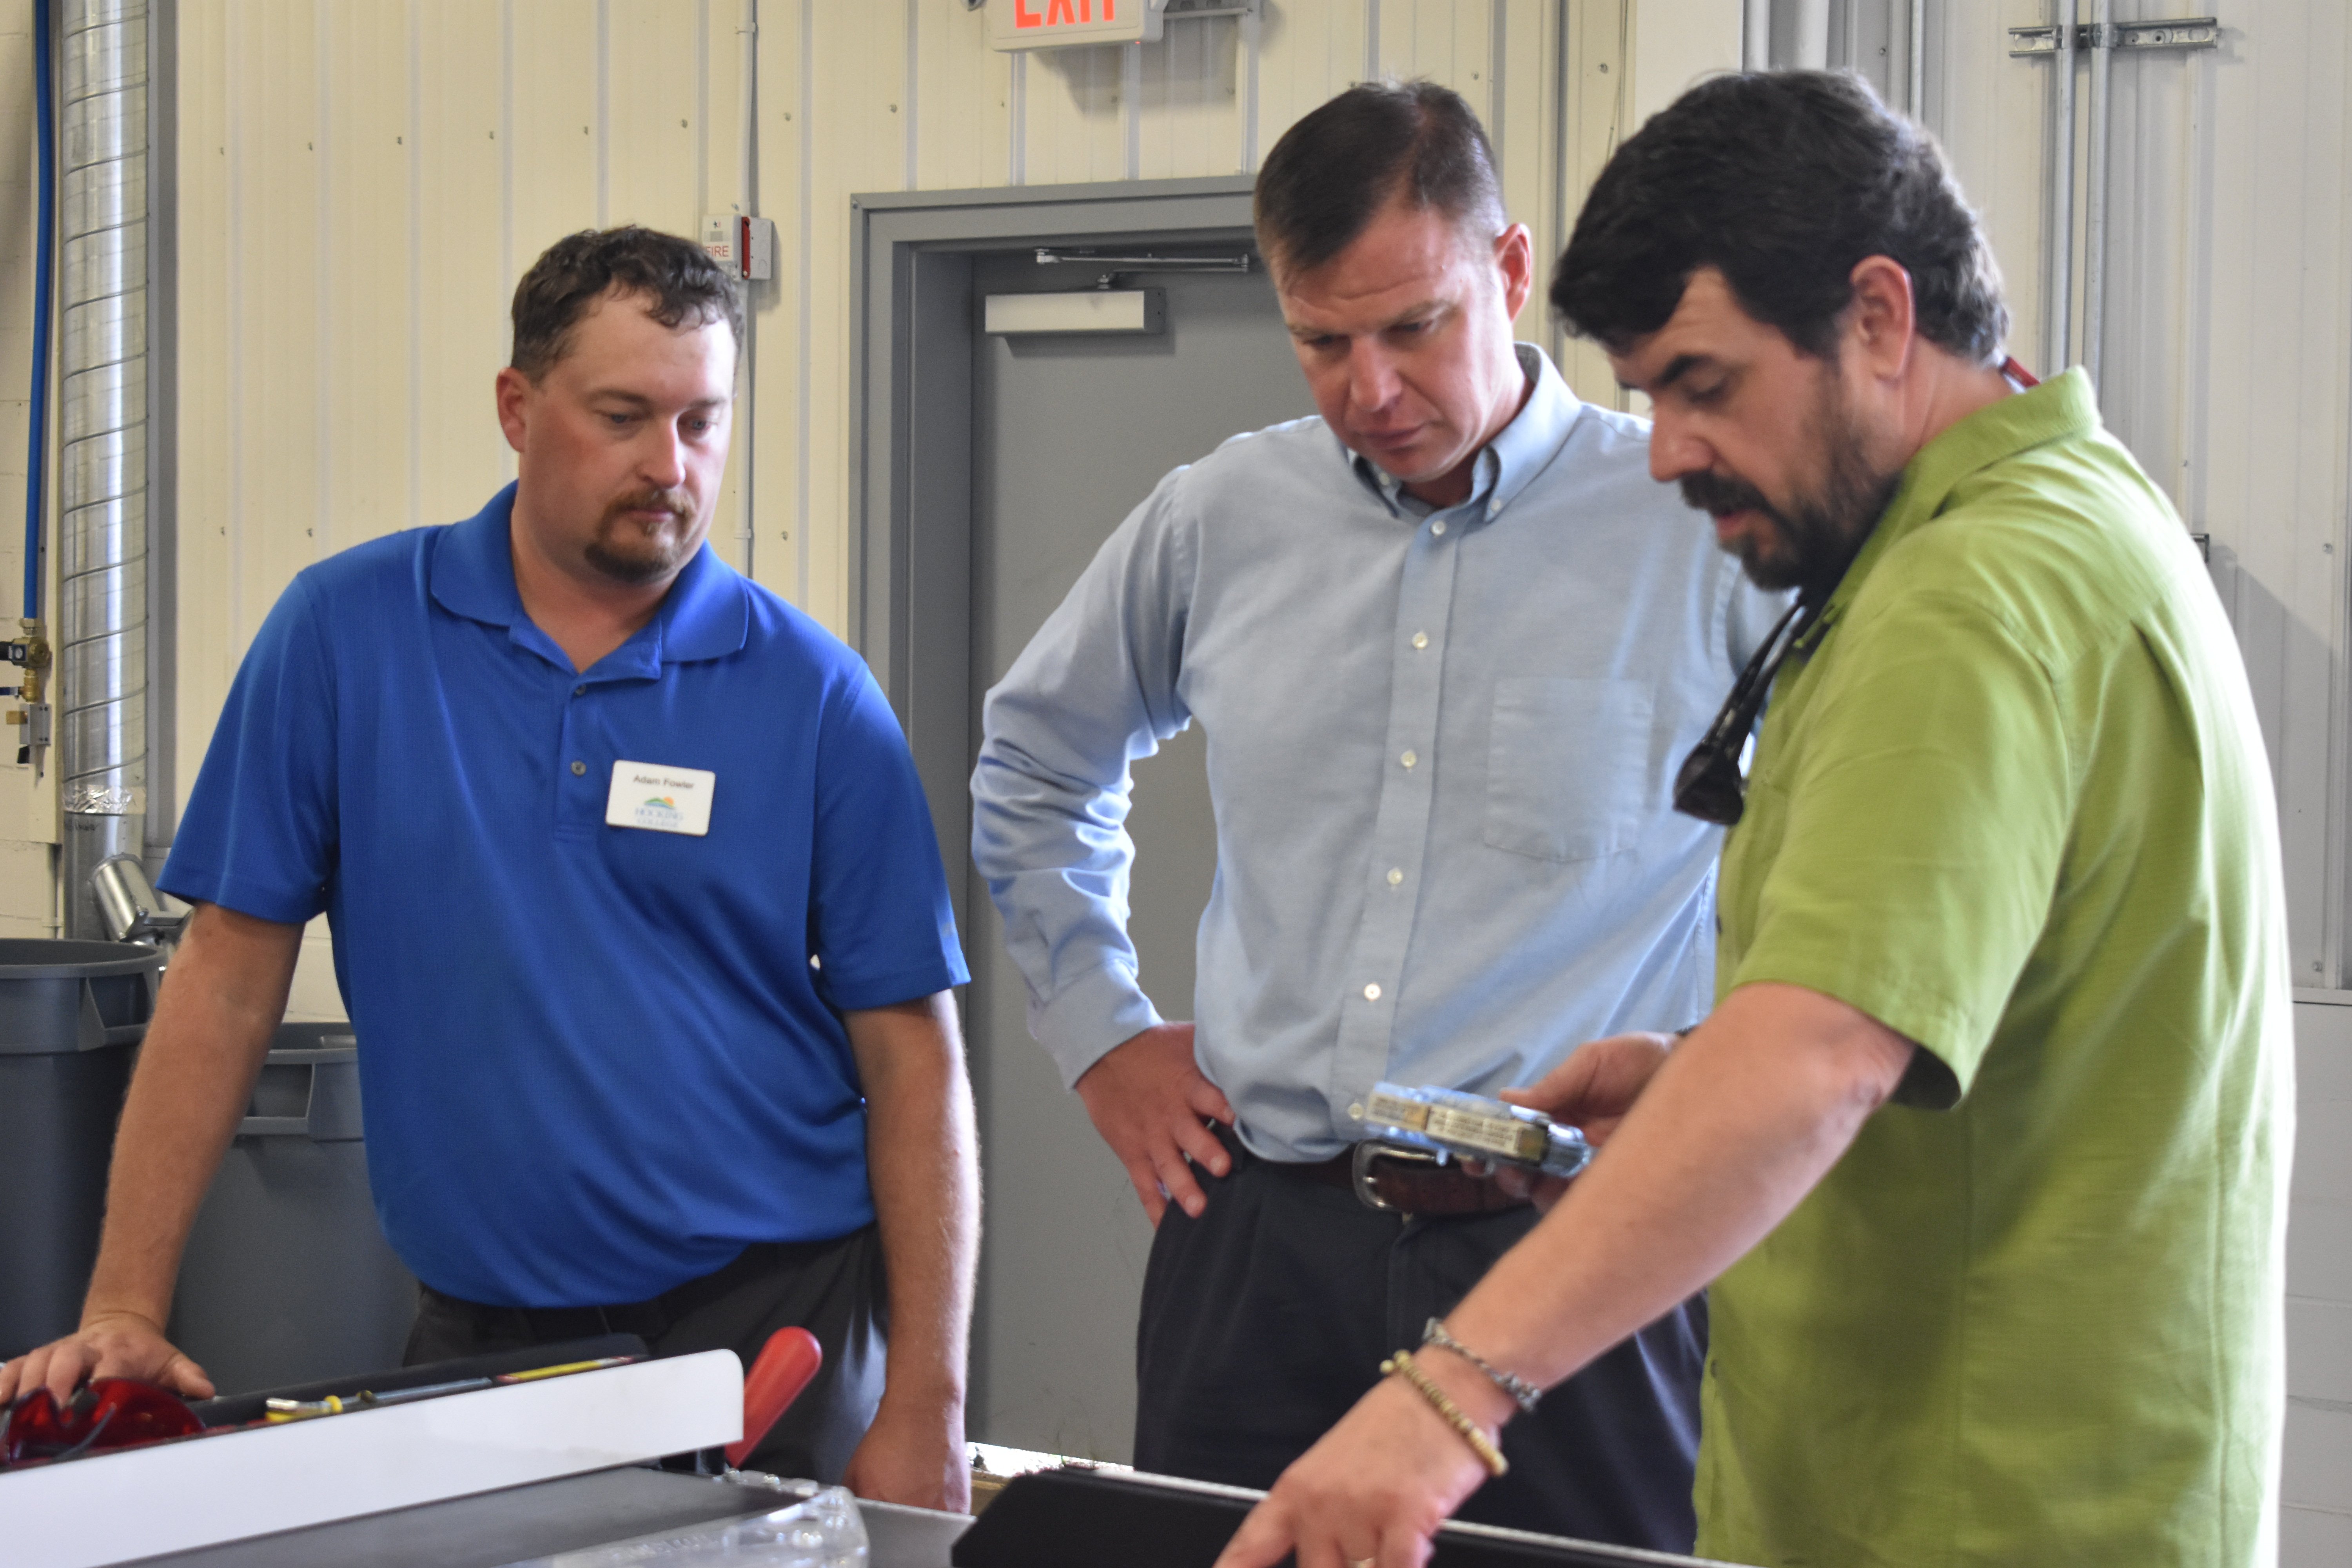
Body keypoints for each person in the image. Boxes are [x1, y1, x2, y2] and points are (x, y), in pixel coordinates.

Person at [1217, 69, 2292, 1568]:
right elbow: (1956, 1020)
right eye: (1650, 394)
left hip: (1973, 1510)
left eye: (1704, 385)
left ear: (1878, 316)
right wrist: (1691, 1084)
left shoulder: (1971, 599)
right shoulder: (2071, 523)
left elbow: (1824, 1052)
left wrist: (1443, 1403)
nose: (1663, 451)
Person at [0, 227, 981, 1510]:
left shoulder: (813, 696)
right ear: (518, 410)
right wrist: (125, 1302)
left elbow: (912, 1051)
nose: (668, 466)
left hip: (774, 1315)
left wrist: (930, 1398)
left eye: (703, 422)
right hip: (482, 1330)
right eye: (624, 416)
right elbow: (229, 976)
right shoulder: (346, 638)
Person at [970, 82, 1783, 1550]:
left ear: (1513, 274)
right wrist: (1101, 1036)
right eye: (1321, 340)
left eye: (1415, 327)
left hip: (1573, 1253)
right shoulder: (1221, 517)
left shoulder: (1697, 528)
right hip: (1260, 1247)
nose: (1371, 387)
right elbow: (1035, 765)